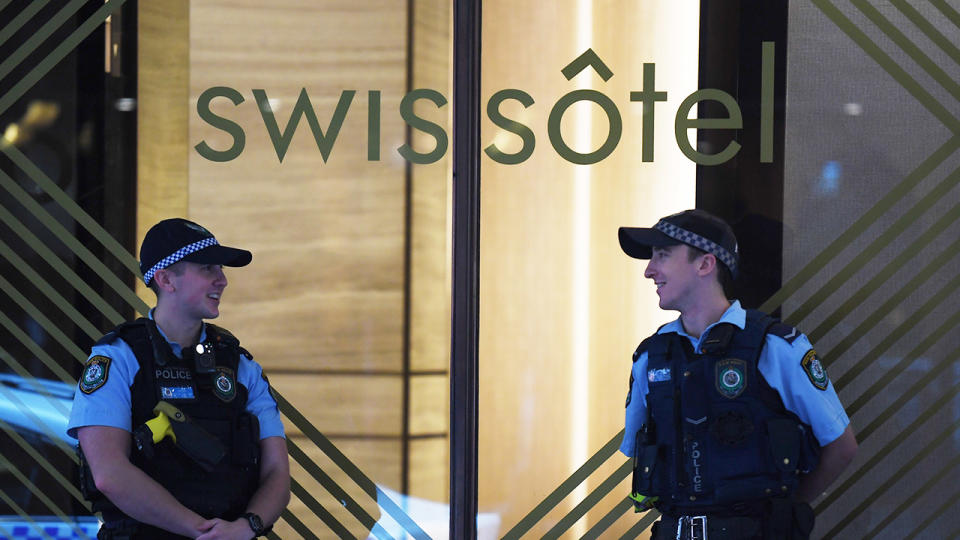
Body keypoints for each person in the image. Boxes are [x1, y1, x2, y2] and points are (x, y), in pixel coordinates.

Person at [618, 209, 858, 540]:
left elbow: (841, 447)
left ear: (704, 264)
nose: (649, 270)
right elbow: (639, 450)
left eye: (662, 255)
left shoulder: (775, 347)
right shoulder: (652, 356)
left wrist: (780, 513)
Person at [67, 218, 290, 539]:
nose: (222, 280)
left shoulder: (240, 365)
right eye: (208, 269)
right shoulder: (118, 357)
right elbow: (108, 474)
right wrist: (203, 532)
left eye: (222, 270)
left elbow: (277, 474)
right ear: (166, 279)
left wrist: (245, 527)